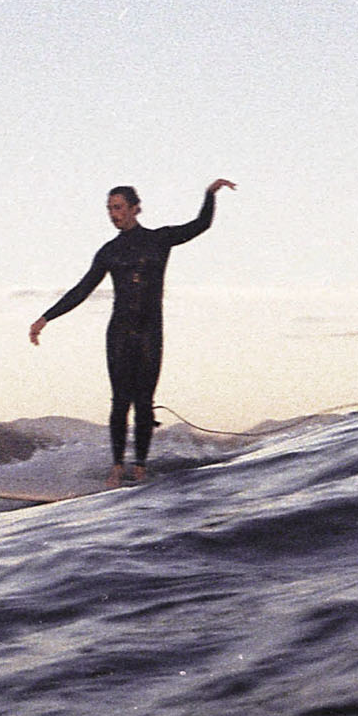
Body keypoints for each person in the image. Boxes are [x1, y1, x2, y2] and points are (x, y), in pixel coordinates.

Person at [29, 178, 237, 486]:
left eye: (119, 207)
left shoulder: (159, 239)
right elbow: (82, 289)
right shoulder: (109, 252)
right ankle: (116, 468)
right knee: (120, 401)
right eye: (110, 209)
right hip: (120, 332)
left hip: (150, 331)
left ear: (135, 208)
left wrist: (209, 194)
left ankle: (139, 467)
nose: (114, 214)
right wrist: (46, 318)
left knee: (144, 401)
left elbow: (201, 225)